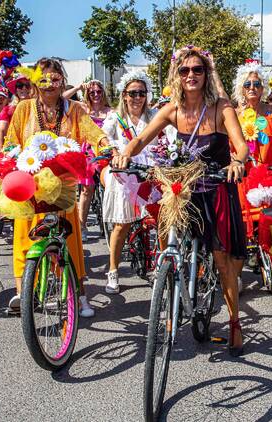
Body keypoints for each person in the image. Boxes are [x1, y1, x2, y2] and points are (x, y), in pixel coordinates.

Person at [112, 45, 248, 356]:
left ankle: (235, 321)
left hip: (216, 188)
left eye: (197, 70)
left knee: (221, 260)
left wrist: (237, 162)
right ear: (177, 74)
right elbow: (141, 138)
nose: (191, 75)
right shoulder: (172, 109)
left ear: (206, 74)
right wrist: (124, 154)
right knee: (168, 238)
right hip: (185, 188)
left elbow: (240, 146)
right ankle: (172, 301)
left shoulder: (221, 107)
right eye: (184, 70)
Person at [5, 58, 106, 318]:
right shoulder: (24, 109)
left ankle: (80, 293)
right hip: (31, 183)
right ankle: (22, 292)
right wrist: (6, 156)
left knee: (69, 238)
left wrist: (107, 146)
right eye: (43, 79)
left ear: (62, 81)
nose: (49, 84)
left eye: (55, 79)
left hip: (63, 184)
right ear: (35, 81)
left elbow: (93, 133)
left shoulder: (75, 109)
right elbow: (11, 142)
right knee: (24, 235)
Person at [100, 71, 157, 294]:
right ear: (124, 95)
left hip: (149, 170)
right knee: (121, 225)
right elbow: (103, 136)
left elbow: (168, 133)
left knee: (159, 218)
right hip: (123, 173)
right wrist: (114, 151)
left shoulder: (154, 115)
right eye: (133, 93)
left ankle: (161, 266)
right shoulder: (116, 118)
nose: (137, 97)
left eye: (142, 93)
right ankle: (113, 271)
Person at [77, 79, 112, 240]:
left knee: (113, 186)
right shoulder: (83, 109)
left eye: (98, 91)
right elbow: (62, 98)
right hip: (88, 153)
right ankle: (82, 226)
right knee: (86, 190)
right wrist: (78, 87)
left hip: (106, 152)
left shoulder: (111, 111)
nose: (96, 95)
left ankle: (115, 223)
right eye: (92, 92)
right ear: (87, 94)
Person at [0, 71, 34, 151]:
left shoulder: (40, 107)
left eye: (27, 85)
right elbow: (0, 131)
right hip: (14, 151)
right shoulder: (8, 110)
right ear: (16, 90)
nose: (24, 88)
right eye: (20, 86)